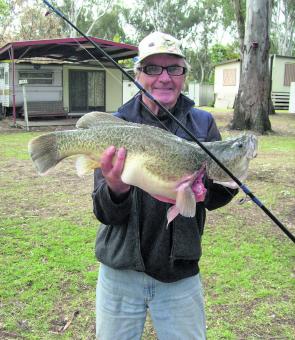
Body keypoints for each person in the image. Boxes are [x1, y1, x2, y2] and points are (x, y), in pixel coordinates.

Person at [92, 32, 238, 340]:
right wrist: (116, 188)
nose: (164, 78)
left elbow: (219, 192)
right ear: (138, 74)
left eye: (174, 68)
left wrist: (205, 190)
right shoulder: (115, 125)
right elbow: (104, 213)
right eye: (152, 68)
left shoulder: (202, 124)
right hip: (119, 273)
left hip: (179, 275)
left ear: (184, 74)